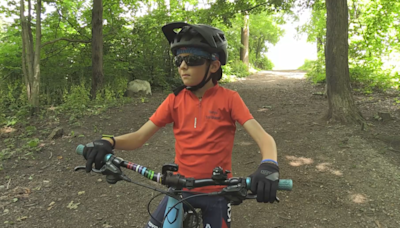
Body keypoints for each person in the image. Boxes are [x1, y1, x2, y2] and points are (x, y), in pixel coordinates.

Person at [81, 22, 280, 228]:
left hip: (218, 189)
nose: (183, 66)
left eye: (192, 59)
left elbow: (264, 138)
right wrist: (108, 141)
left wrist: (268, 166)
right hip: (179, 188)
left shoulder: (229, 99)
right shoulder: (174, 100)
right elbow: (139, 137)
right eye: (179, 60)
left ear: (213, 65)